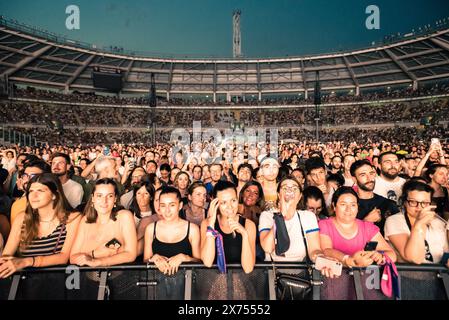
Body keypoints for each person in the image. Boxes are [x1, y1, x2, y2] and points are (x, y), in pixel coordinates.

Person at [0, 173, 81, 278]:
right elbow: (7, 254)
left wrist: (26, 262)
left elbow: (64, 257)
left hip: (57, 282)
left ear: (54, 195)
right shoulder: (22, 218)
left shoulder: (72, 218)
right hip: (25, 282)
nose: (33, 196)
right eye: (31, 191)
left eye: (40, 191)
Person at [319, 187, 396, 268]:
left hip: (362, 278)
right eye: (343, 204)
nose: (348, 209)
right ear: (334, 206)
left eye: (353, 205)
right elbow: (326, 250)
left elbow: (392, 255)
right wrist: (349, 259)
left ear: (357, 207)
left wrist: (380, 256)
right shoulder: (324, 224)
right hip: (332, 277)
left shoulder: (367, 227)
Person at [259, 177, 328, 265]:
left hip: (300, 272)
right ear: (279, 194)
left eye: (294, 188)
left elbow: (314, 249)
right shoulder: (267, 216)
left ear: (299, 196)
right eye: (285, 188)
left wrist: (320, 258)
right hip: (272, 271)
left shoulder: (308, 216)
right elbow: (268, 248)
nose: (290, 191)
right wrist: (280, 217)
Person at [70, 178, 137, 267]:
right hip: (87, 277)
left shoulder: (124, 217)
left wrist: (98, 262)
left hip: (118, 277)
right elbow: (73, 258)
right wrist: (95, 254)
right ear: (93, 198)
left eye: (109, 196)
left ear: (115, 199)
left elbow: (130, 254)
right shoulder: (85, 221)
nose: (104, 201)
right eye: (99, 196)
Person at [384, 181, 449, 266]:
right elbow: (414, 259)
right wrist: (418, 224)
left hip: (438, 275)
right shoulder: (393, 221)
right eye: (413, 202)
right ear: (405, 202)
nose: (419, 207)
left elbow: (446, 253)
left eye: (425, 203)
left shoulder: (437, 222)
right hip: (407, 276)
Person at [200, 181, 256, 274]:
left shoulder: (249, 225)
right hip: (214, 283)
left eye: (233, 200)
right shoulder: (207, 224)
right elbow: (207, 262)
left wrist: (244, 235)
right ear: (215, 203)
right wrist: (211, 225)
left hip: (240, 283)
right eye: (223, 202)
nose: (230, 207)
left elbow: (248, 268)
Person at [144, 186, 201, 275]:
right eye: (163, 205)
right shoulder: (150, 229)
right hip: (157, 283)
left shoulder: (193, 229)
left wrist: (184, 258)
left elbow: (199, 261)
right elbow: (145, 260)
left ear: (180, 205)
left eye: (172, 205)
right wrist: (154, 258)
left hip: (186, 284)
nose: (167, 210)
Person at [350, 160, 399, 235]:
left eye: (371, 173)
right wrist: (366, 222)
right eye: (363, 175)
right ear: (354, 179)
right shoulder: (348, 205)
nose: (369, 178)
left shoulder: (388, 204)